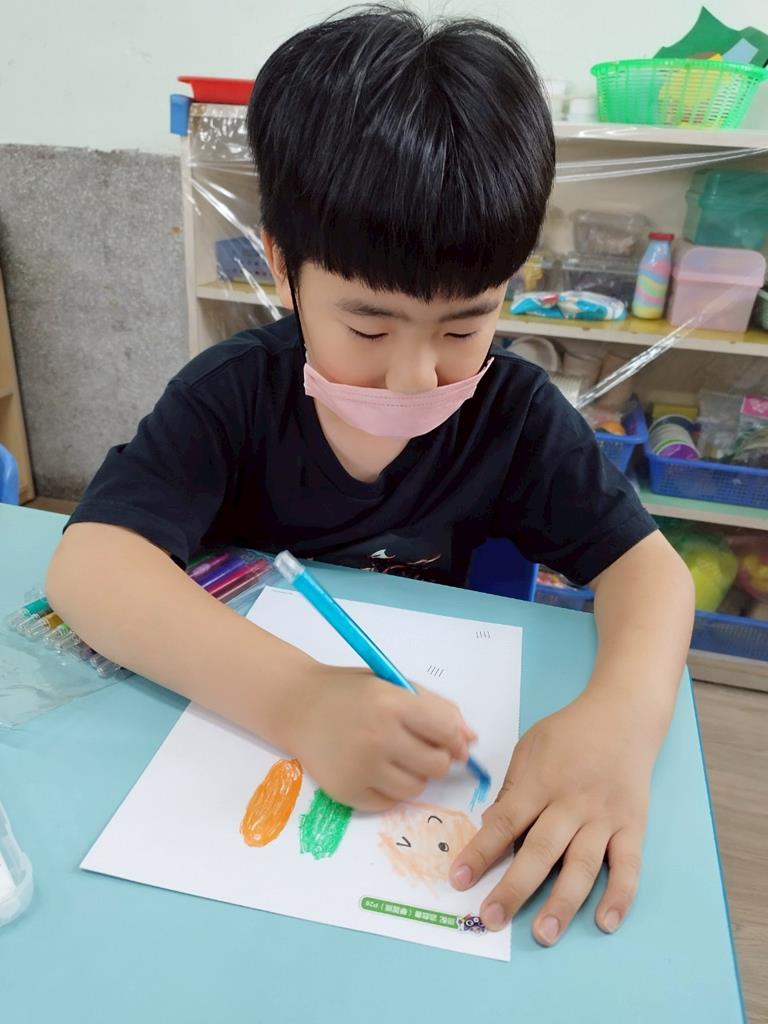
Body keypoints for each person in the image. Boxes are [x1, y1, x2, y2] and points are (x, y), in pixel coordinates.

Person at [47, 5, 694, 945]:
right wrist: (299, 701)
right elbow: (92, 564)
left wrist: (620, 721)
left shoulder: (512, 415)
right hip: (229, 776)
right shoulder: (235, 395)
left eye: (465, 325)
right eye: (368, 326)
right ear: (282, 265)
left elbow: (652, 573)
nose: (416, 377)